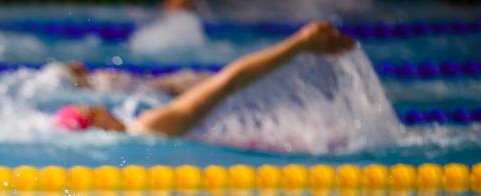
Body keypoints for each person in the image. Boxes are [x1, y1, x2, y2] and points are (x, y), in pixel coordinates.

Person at [53, 21, 356, 135]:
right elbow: (228, 82)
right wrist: (300, 43)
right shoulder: (149, 125)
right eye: (93, 110)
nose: (103, 107)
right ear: (95, 121)